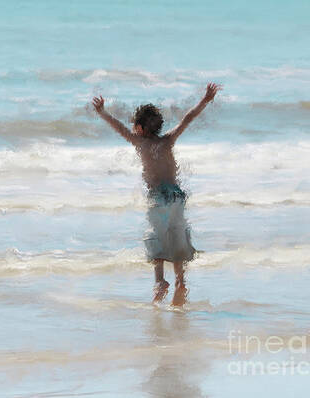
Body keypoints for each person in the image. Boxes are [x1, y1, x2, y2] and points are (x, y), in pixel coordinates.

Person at [92, 83, 221, 306]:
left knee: (157, 238)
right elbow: (187, 119)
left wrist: (102, 113)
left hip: (158, 197)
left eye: (135, 125)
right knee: (177, 235)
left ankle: (160, 281)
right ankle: (181, 281)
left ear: (140, 128)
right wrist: (205, 100)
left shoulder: (139, 143)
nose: (132, 128)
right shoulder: (168, 140)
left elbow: (119, 128)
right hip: (177, 196)